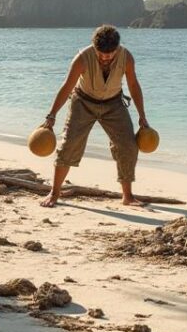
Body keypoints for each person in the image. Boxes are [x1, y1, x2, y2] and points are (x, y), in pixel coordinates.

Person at [39, 25, 149, 208]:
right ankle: (54, 193)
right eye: (101, 53)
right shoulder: (82, 58)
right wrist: (51, 115)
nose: (106, 57)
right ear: (94, 46)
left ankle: (127, 196)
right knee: (69, 144)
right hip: (83, 102)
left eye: (110, 53)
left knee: (128, 146)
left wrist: (142, 116)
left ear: (117, 48)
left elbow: (134, 85)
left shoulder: (126, 57)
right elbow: (67, 86)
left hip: (114, 103)